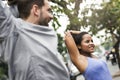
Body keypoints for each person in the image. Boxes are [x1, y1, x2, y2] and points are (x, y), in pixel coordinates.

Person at [0, 0, 70, 80]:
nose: (52, 16)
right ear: (36, 10)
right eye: (48, 10)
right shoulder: (14, 30)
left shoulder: (48, 36)